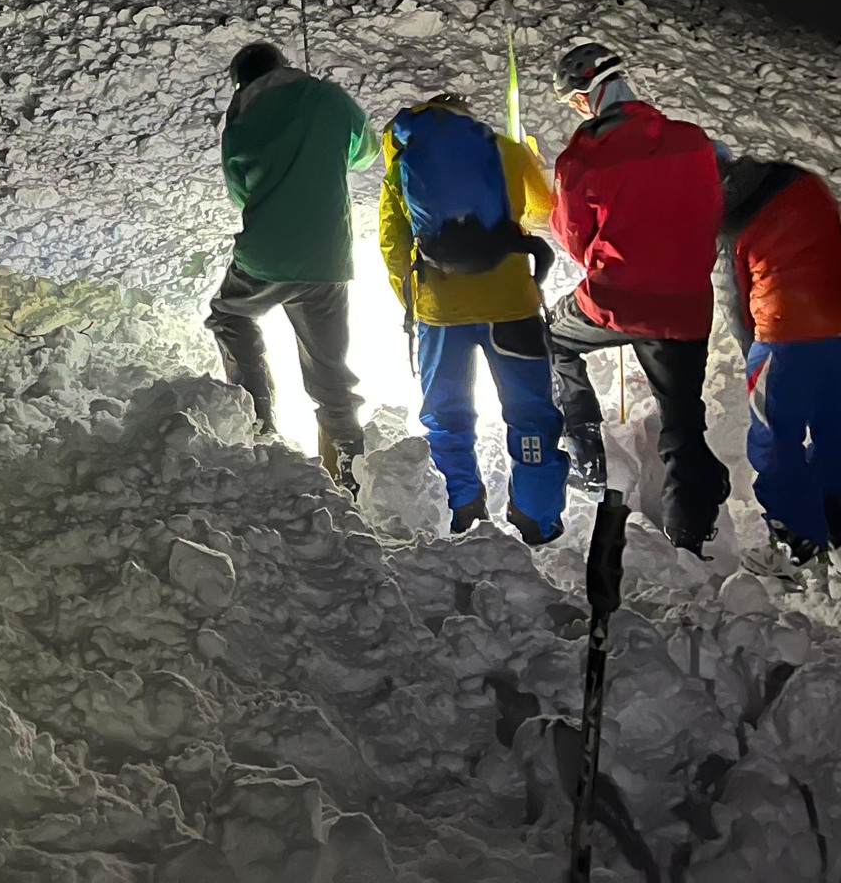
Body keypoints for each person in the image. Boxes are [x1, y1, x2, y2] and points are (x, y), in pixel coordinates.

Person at [547, 42, 731, 554]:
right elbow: (712, 211)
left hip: (615, 302)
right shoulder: (694, 141)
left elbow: (574, 240)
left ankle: (586, 456)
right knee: (682, 415)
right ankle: (691, 530)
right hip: (686, 308)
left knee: (553, 339)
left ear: (586, 96)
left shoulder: (581, 158)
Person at [378, 94, 569, 543]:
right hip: (512, 308)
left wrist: (415, 303)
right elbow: (546, 210)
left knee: (447, 414)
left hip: (441, 314)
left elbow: (392, 243)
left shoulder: (405, 162)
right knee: (530, 413)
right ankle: (536, 517)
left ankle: (463, 508)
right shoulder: (504, 148)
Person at [206, 42, 379, 491]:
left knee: (230, 315)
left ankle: (256, 418)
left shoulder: (240, 119)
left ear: (241, 82)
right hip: (327, 259)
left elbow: (239, 193)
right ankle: (345, 464)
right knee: (328, 365)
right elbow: (366, 152)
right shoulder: (327, 97)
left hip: (264, 256)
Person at [718, 151, 841, 587]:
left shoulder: (728, 224)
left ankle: (797, 544)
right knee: (839, 434)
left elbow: (735, 301)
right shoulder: (800, 181)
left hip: (787, 334)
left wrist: (755, 351)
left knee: (776, 439)